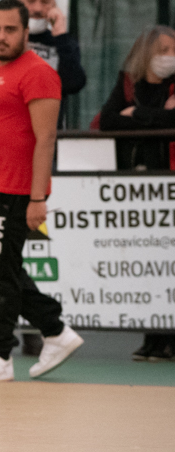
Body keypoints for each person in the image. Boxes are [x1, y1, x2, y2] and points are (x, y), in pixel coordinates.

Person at [0, 0, 83, 382]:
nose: (1, 37)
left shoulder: (39, 73)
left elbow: (46, 139)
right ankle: (55, 330)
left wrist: (37, 198)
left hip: (15, 191)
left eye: (10, 30)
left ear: (26, 32)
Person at [98, 25, 175, 362]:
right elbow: (108, 121)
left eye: (174, 50)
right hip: (136, 186)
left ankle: (169, 338)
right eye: (164, 50)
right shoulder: (128, 83)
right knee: (148, 260)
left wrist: (137, 114)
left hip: (168, 181)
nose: (170, 57)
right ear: (147, 53)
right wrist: (160, 117)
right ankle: (152, 337)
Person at [0, 0, 86, 126]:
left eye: (45, 2)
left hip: (47, 133)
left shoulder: (63, 43)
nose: (38, 9)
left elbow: (74, 84)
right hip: (3, 131)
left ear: (54, 5)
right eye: (30, 1)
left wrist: (60, 35)